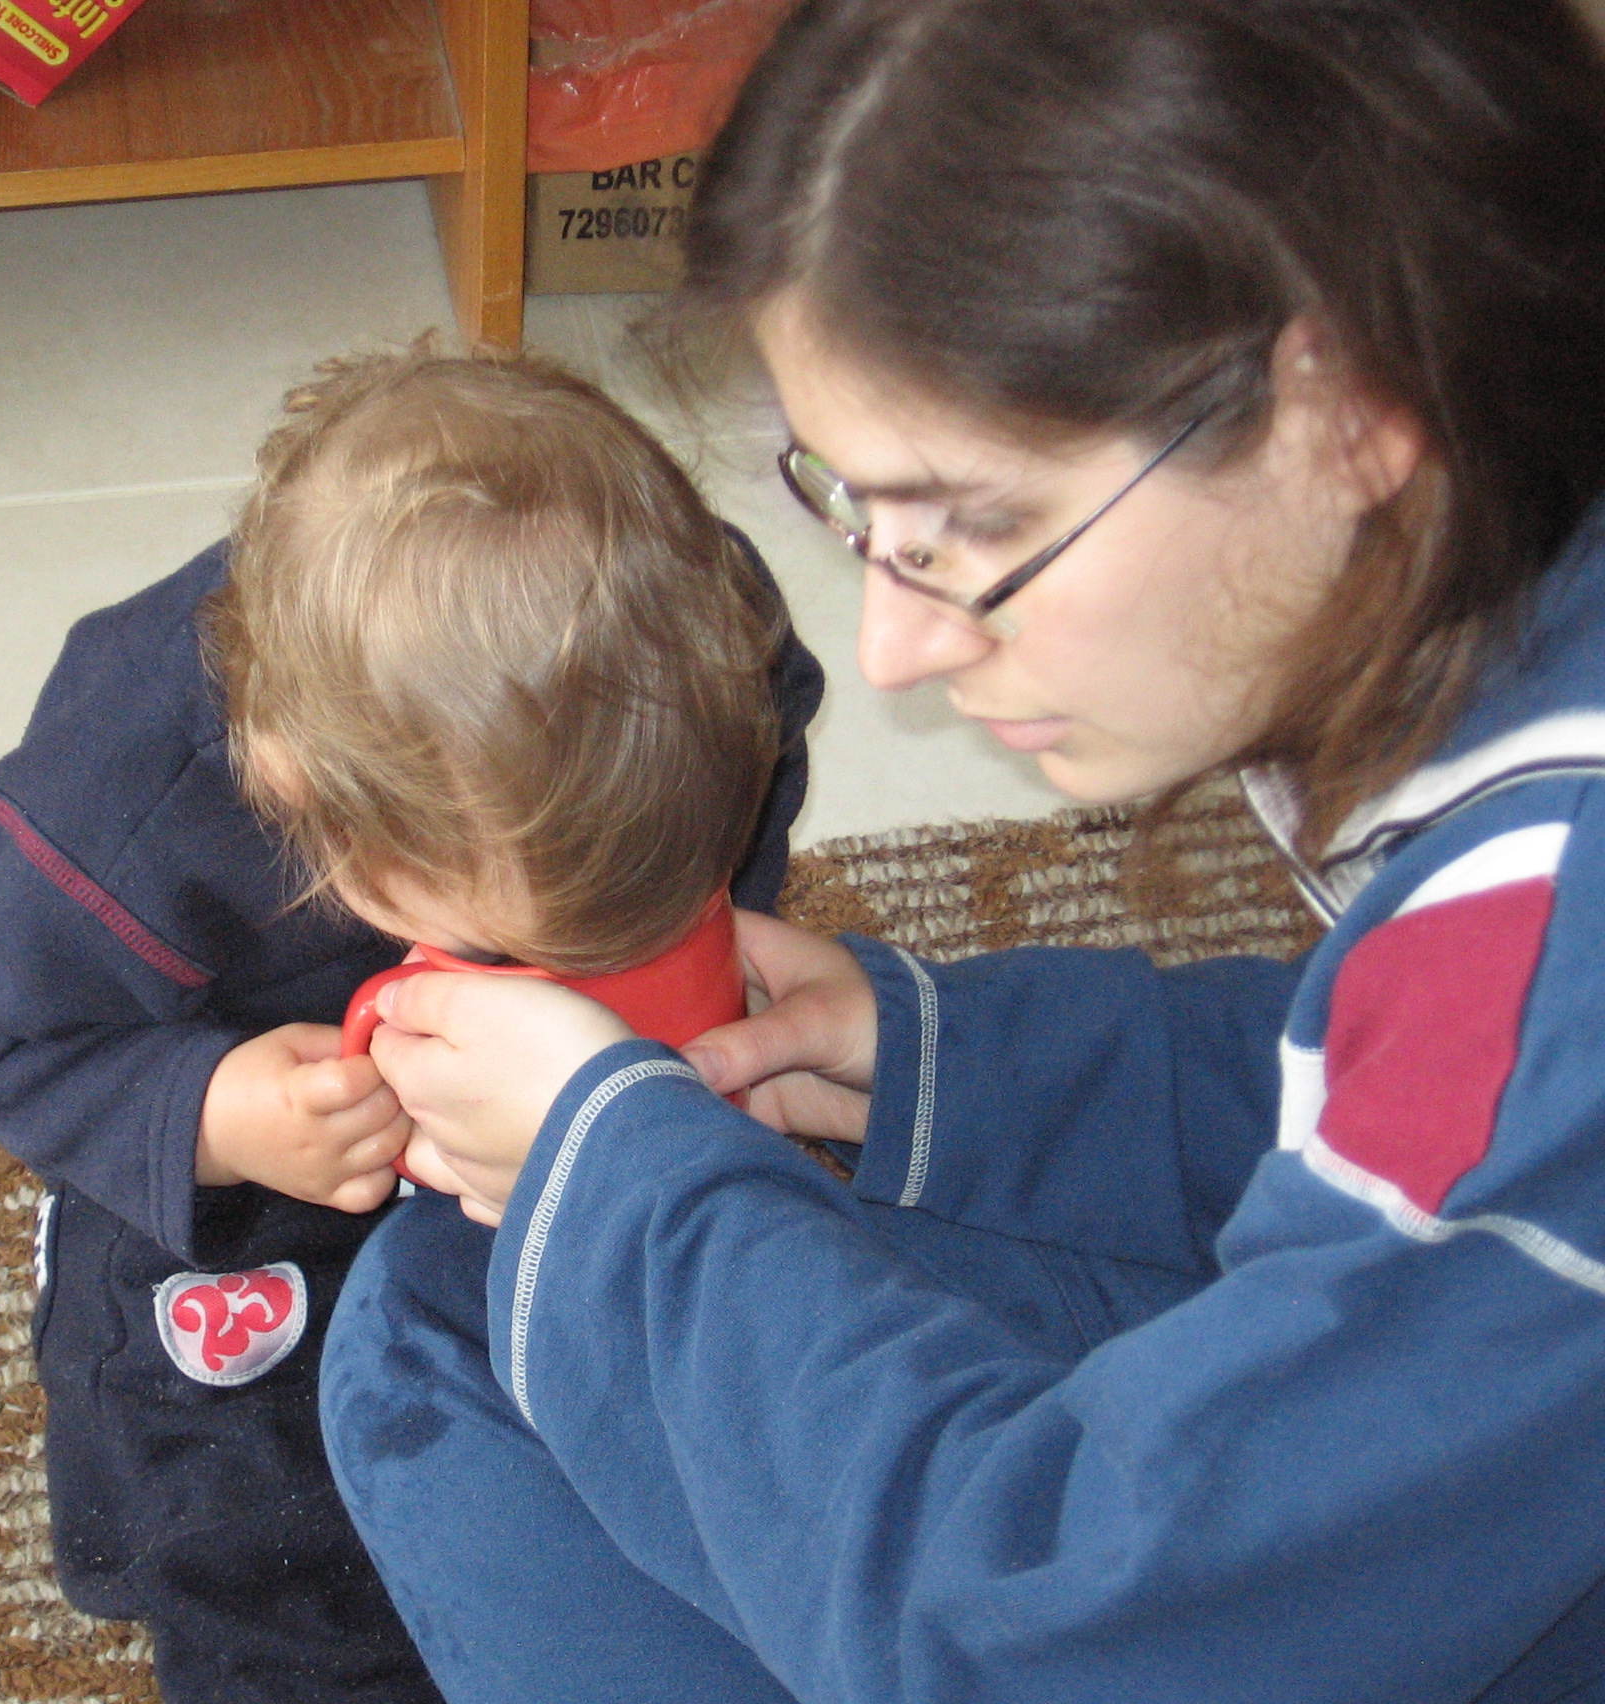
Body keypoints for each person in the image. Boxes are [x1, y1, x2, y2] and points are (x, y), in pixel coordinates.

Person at [318, 2, 1605, 1700]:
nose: (894, 649)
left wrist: (619, 1184)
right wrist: (946, 1060)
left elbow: (1051, 1646)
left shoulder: (1554, 982)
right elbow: (1384, 1087)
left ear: (1347, 407)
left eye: (973, 527)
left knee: (489, 1303)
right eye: (856, 513)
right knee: (500, 1279)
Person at [0, 347, 824, 1704]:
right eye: (516, 936)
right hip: (265, 1171)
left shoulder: (708, 647)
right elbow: (2, 1036)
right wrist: (218, 1116)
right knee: (260, 1522)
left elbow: (743, 809)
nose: (562, 966)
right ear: (307, 807)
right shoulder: (119, 814)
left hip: (507, 1137)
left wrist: (701, 972)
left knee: (692, 1402)